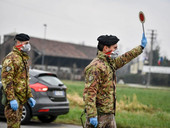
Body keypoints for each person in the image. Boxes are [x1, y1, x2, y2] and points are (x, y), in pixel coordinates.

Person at [83, 33, 147, 128]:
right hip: (98, 116)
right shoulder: (95, 67)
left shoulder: (110, 63)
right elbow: (90, 93)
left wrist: (141, 47)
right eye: (115, 47)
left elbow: (125, 58)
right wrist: (92, 115)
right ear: (106, 48)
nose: (117, 50)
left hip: (110, 115)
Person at [1, 33, 36, 128]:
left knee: (17, 125)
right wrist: (11, 99)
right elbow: (7, 80)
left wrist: (29, 96)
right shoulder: (11, 58)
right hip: (13, 100)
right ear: (19, 42)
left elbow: (25, 80)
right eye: (26, 43)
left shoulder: (23, 58)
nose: (28, 45)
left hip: (21, 99)